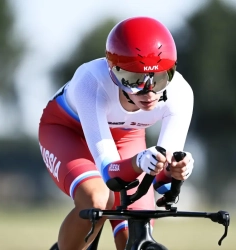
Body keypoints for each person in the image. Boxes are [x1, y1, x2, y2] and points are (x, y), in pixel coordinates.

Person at [38, 16, 195, 250]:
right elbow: (111, 175)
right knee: (96, 200)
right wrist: (141, 160)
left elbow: (162, 183)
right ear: (113, 72)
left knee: (134, 231)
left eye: (160, 78)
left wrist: (177, 171)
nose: (148, 91)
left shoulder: (180, 93)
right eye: (134, 79)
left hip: (127, 138)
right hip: (68, 131)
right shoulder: (90, 81)